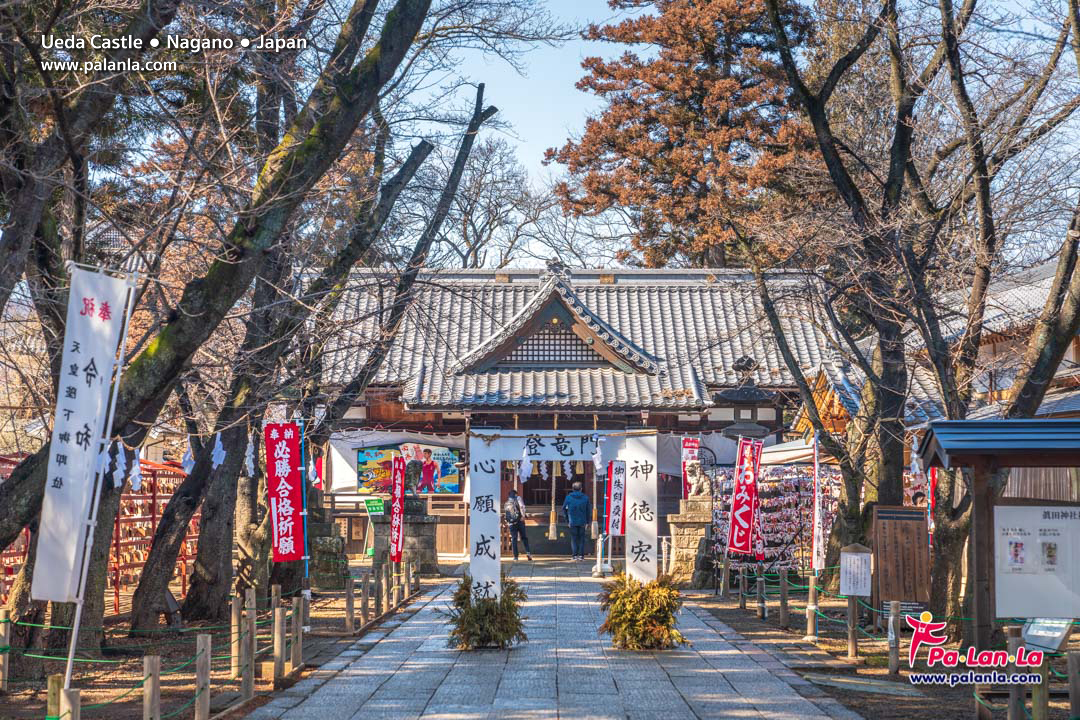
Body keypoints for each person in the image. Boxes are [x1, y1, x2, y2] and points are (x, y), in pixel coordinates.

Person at [561, 481, 592, 560]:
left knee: (574, 538)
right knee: (581, 538)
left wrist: (567, 519)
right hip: (582, 521)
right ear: (581, 489)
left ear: (572, 489)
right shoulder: (585, 497)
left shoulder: (568, 497)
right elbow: (588, 510)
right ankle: (581, 556)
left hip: (572, 521)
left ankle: (574, 556)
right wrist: (588, 521)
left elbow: (564, 508)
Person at [503, 489, 532, 561]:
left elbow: (506, 513)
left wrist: (508, 521)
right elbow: (522, 507)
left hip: (511, 523)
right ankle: (528, 553)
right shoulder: (518, 498)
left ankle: (515, 556)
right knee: (524, 538)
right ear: (516, 494)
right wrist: (523, 516)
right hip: (520, 521)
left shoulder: (507, 502)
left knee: (514, 539)